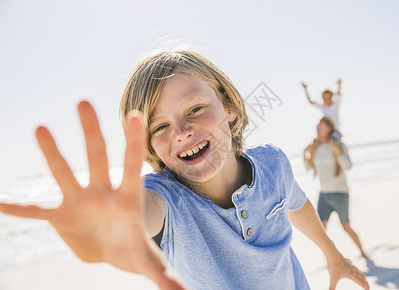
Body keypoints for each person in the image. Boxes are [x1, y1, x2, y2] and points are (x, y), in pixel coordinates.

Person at [0, 49, 369, 290]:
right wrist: (114, 225)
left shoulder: (272, 163)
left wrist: (332, 254)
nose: (181, 132)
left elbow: (295, 203)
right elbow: (141, 213)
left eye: (194, 109)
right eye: (159, 127)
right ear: (148, 146)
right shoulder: (165, 201)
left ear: (229, 108)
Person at [304, 117, 367, 258]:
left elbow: (348, 166)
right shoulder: (316, 147)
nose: (317, 129)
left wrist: (337, 151)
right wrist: (305, 153)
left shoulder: (339, 145)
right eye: (317, 127)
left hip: (340, 193)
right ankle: (331, 259)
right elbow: (309, 167)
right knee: (321, 229)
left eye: (321, 126)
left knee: (346, 227)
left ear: (329, 129)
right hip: (324, 194)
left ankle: (363, 253)